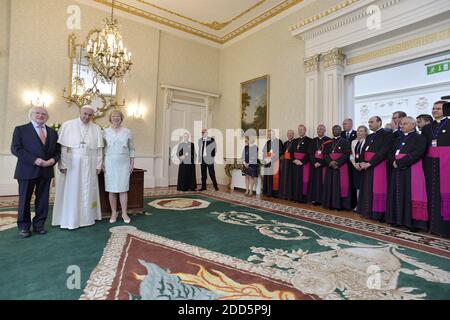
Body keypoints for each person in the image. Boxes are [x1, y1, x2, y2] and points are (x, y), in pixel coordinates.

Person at [11, 107, 60, 238]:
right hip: (27, 170)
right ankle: (24, 227)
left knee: (43, 200)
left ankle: (39, 225)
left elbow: (57, 151)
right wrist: (35, 160)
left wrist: (52, 160)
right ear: (31, 115)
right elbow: (16, 149)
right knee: (25, 200)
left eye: (44, 114)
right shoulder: (20, 129)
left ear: (47, 117)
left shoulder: (53, 132)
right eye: (37, 113)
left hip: (46, 171)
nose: (40, 115)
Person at [52, 105, 104, 230]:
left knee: (89, 189)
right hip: (72, 163)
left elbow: (99, 149)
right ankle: (71, 218)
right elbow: (64, 148)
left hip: (90, 163)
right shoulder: (68, 125)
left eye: (90, 115)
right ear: (80, 112)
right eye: (85, 114)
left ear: (93, 116)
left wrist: (98, 165)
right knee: (72, 190)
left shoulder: (96, 128)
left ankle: (87, 218)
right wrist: (62, 164)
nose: (87, 117)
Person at [386, 117, 428, 232]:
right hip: (396, 171)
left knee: (409, 195)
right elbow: (389, 153)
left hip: (411, 171)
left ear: (413, 125)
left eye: (405, 124)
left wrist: (399, 162)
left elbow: (417, 153)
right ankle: (397, 220)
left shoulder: (419, 138)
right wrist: (393, 161)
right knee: (397, 194)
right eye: (401, 124)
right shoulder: (398, 138)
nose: (402, 126)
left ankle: (411, 223)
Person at [422, 101, 450, 237]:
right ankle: (430, 225)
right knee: (429, 192)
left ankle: (443, 228)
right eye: (433, 108)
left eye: (438, 108)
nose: (434, 111)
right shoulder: (427, 128)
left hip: (446, 166)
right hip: (429, 165)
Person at [357, 116, 393, 221]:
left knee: (377, 189)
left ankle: (378, 214)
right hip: (366, 166)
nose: (370, 124)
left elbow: (383, 151)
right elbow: (363, 150)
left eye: (372, 122)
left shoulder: (387, 135)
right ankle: (367, 211)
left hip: (378, 165)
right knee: (367, 189)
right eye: (369, 122)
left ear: (379, 122)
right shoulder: (369, 136)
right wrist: (362, 161)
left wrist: (370, 163)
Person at [103, 110, 135, 224]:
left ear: (121, 118)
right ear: (110, 118)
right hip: (109, 162)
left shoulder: (127, 132)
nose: (116, 118)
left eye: (118, 116)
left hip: (124, 163)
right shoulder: (104, 132)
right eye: (113, 116)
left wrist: (132, 164)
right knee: (111, 189)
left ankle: (124, 213)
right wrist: (102, 163)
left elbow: (132, 149)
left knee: (123, 189)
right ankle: (113, 212)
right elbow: (102, 149)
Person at [322, 125, 351, 210]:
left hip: (341, 167)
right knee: (330, 185)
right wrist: (330, 162)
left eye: (338, 129)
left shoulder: (345, 141)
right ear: (332, 131)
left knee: (340, 185)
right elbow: (325, 154)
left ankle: (339, 205)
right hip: (330, 166)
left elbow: (347, 154)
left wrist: (337, 162)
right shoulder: (328, 142)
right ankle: (330, 204)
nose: (336, 130)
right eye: (334, 129)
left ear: (340, 130)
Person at [308, 125, 331, 205]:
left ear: (324, 130)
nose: (319, 130)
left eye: (321, 129)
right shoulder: (313, 140)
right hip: (314, 165)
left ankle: (323, 199)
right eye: (318, 129)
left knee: (323, 182)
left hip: (324, 165)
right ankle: (315, 199)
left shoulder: (329, 140)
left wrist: (321, 163)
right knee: (314, 182)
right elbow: (310, 153)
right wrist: (314, 162)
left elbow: (329, 155)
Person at [349, 125, 369, 211]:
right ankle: (358, 205)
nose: (359, 132)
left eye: (361, 131)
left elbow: (366, 155)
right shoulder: (353, 142)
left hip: (364, 167)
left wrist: (361, 164)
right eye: (358, 130)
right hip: (356, 167)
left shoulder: (368, 142)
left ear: (365, 132)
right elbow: (352, 155)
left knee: (364, 186)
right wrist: (354, 164)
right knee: (357, 187)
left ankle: (365, 206)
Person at [292, 125, 312, 203]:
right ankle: (296, 197)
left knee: (304, 181)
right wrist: (294, 160)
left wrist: (302, 161)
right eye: (299, 129)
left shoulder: (309, 140)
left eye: (301, 129)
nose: (300, 131)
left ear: (305, 130)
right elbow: (291, 152)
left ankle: (303, 198)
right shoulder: (295, 140)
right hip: (295, 163)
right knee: (296, 180)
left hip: (304, 164)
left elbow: (309, 153)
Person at [341, 118, 357, 208]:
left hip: (352, 163)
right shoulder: (342, 134)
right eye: (343, 124)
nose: (343, 125)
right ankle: (345, 202)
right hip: (343, 163)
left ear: (351, 124)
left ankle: (353, 203)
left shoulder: (356, 134)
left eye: (345, 124)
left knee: (353, 183)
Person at [262, 129, 283, 197]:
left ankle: (275, 193)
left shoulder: (279, 141)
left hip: (275, 162)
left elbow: (279, 152)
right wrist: (266, 159)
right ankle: (268, 192)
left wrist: (271, 159)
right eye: (268, 134)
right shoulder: (267, 142)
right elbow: (264, 152)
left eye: (270, 134)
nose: (269, 135)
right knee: (268, 178)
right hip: (268, 162)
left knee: (274, 178)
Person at [279, 129, 296, 201]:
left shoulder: (295, 142)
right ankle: (283, 194)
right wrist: (282, 156)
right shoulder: (285, 143)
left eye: (291, 134)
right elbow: (282, 152)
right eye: (288, 134)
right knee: (284, 178)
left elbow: (295, 153)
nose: (289, 135)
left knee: (290, 179)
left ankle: (290, 195)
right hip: (285, 164)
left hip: (291, 164)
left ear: (293, 134)